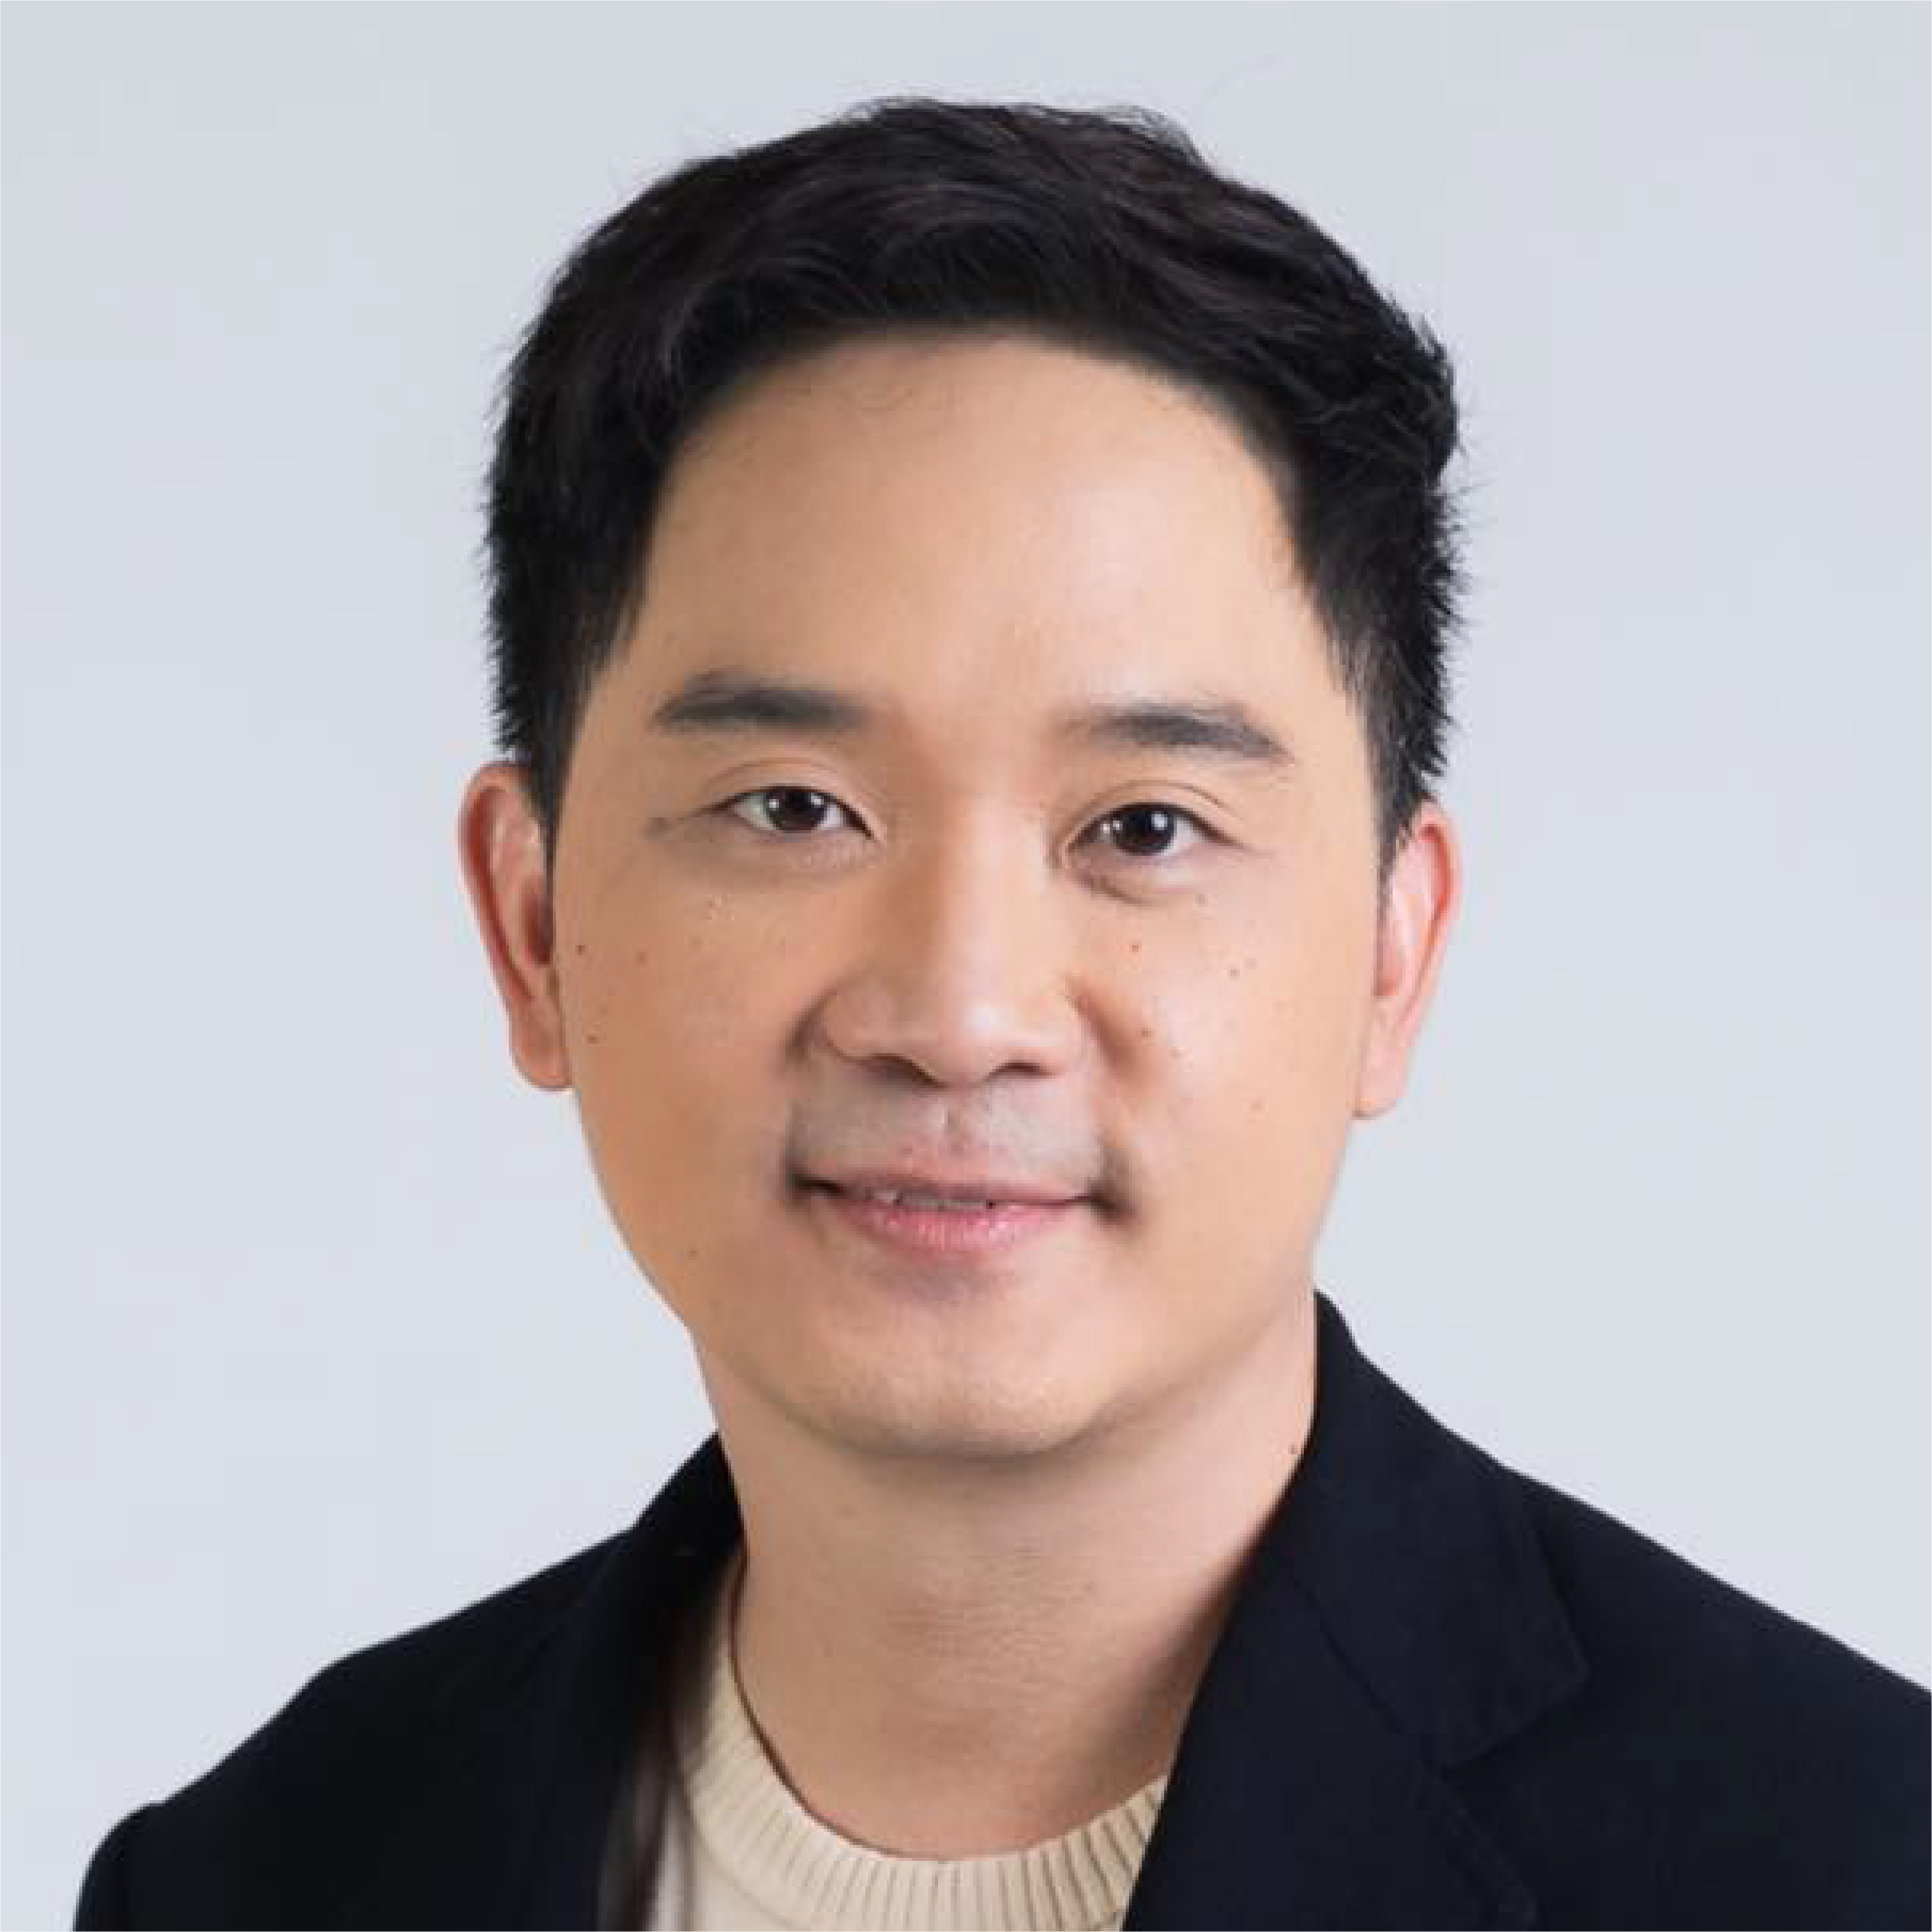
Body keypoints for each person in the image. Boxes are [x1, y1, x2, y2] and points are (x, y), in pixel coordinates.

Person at [74, 95, 1932, 1932]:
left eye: (1144, 828)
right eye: (792, 808)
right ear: (533, 923)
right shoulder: (250, 1879)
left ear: (1394, 951)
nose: (959, 1015)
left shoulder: (1855, 1865)